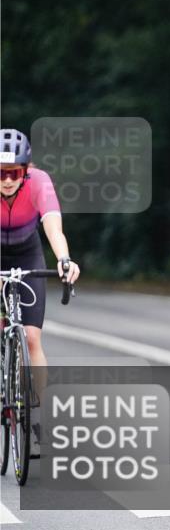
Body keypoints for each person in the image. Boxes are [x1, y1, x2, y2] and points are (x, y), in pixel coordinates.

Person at [0, 128, 81, 456]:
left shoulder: (39, 183)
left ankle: (38, 418)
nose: (8, 180)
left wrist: (64, 259)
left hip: (28, 254)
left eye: (14, 173)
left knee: (32, 338)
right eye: (1, 173)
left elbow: (52, 225)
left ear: (26, 170)